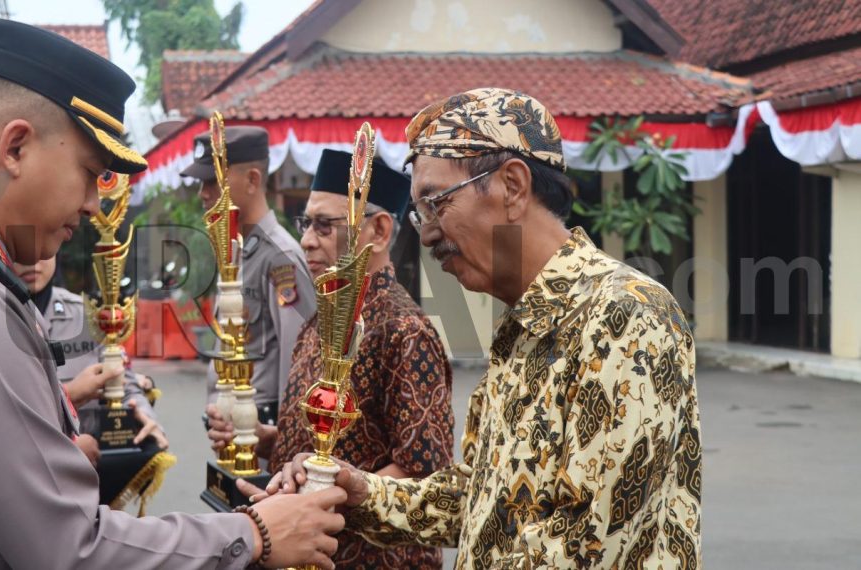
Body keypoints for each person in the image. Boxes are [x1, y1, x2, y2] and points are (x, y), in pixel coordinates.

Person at [0, 19, 346, 570]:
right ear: (16, 147)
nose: (95, 205)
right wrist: (254, 532)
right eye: (89, 172)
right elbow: (69, 549)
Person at [267, 88, 702, 568]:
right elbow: (479, 497)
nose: (427, 232)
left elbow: (586, 542)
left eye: (436, 203)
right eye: (419, 212)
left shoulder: (626, 315)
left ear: (512, 187)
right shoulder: (521, 326)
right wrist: (361, 491)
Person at [206, 150, 455, 569]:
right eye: (305, 224)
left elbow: (426, 473)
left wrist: (323, 487)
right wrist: (263, 438)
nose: (306, 240)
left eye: (324, 225)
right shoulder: (321, 319)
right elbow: (326, 440)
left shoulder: (404, 329)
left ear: (379, 230)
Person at [182, 127, 316, 425]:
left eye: (212, 181)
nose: (203, 193)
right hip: (232, 426)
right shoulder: (236, 251)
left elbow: (300, 362)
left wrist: (284, 437)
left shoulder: (280, 257)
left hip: (264, 429)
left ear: (253, 180)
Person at [13, 256, 167, 456]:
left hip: (99, 463)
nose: (31, 261)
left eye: (43, 251)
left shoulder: (88, 316)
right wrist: (69, 395)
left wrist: (145, 416)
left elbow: (125, 384)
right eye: (22, 251)